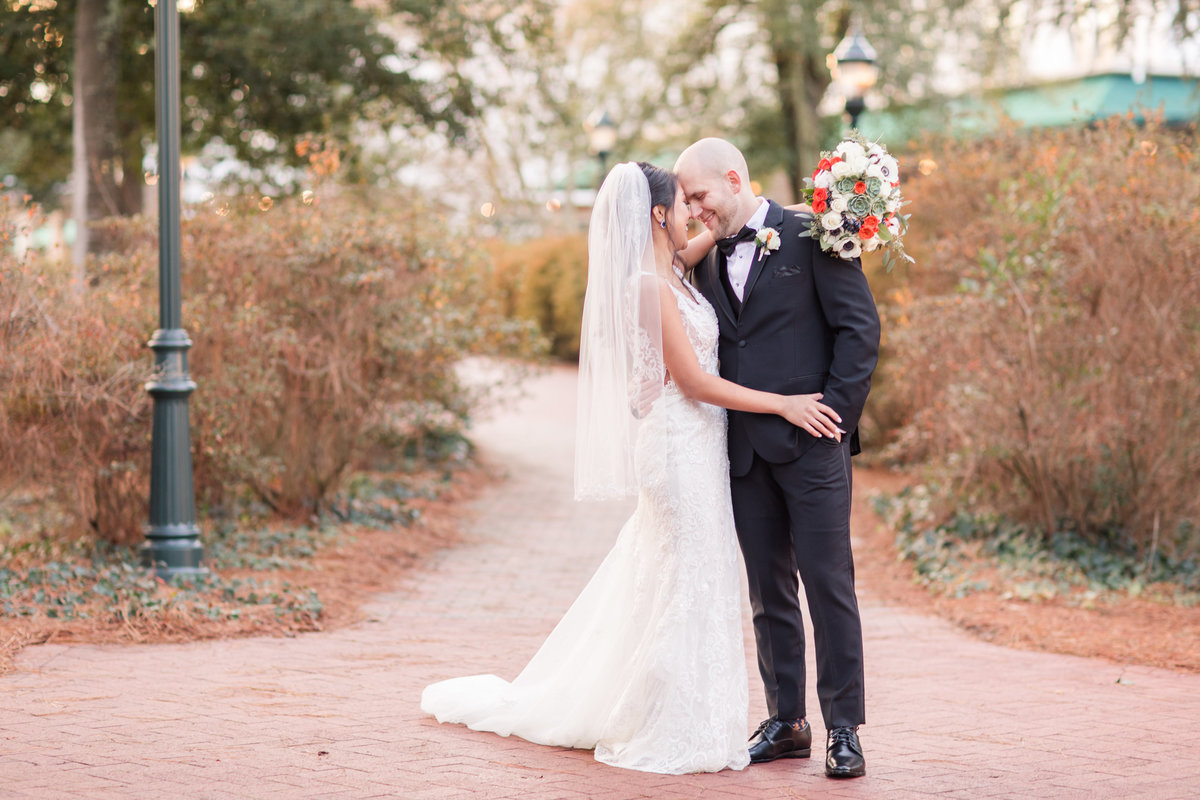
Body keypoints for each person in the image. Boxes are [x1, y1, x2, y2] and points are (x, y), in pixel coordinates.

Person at [420, 161, 844, 775]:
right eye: (683, 204)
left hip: (700, 446)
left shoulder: (672, 267)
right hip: (678, 449)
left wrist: (801, 213)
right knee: (686, 581)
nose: (694, 212)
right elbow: (695, 383)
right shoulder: (648, 285)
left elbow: (735, 227)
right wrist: (784, 403)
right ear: (657, 214)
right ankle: (670, 721)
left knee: (694, 577)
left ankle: (686, 711)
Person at [674, 138, 880, 779]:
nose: (694, 210)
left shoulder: (815, 234)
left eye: (699, 196)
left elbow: (859, 330)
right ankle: (787, 721)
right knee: (768, 592)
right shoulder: (705, 256)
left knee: (829, 585)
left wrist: (835, 420)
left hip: (813, 446)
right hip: (741, 451)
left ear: (734, 179)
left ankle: (843, 728)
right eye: (686, 202)